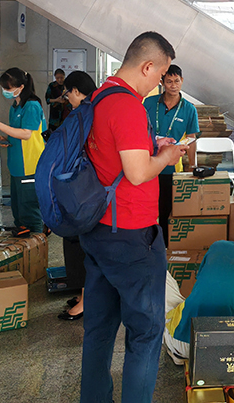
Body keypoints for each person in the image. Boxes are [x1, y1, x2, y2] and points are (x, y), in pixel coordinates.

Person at [80, 32, 187, 402]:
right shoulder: (128, 105)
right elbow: (138, 173)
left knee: (99, 328)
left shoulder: (101, 95)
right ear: (147, 67)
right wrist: (166, 157)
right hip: (131, 234)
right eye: (160, 75)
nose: (159, 83)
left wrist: (151, 145)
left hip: (97, 228)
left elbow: (113, 152)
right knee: (145, 332)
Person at [163, 217, 234, 365]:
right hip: (222, 353)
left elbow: (203, 283)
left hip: (181, 343)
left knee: (163, 277)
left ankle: (178, 353)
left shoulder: (217, 246)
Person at [0, 68, 47, 234]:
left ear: (21, 87)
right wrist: (7, 138)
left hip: (30, 165)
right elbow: (17, 132)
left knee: (29, 209)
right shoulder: (16, 106)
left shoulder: (32, 105)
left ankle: (37, 240)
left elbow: (26, 134)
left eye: (8, 88)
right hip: (17, 165)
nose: (5, 91)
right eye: (4, 88)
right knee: (19, 208)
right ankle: (25, 239)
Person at [57, 70, 97, 322]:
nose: (67, 98)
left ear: (75, 91)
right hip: (85, 185)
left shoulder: (85, 113)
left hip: (84, 187)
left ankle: (86, 299)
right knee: (77, 240)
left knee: (78, 242)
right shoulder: (92, 109)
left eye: (67, 94)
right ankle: (85, 293)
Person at [143, 65, 199, 243]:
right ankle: (145, 242)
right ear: (162, 83)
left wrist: (192, 165)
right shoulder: (149, 103)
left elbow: (192, 138)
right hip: (147, 163)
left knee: (166, 207)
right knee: (146, 206)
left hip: (171, 166)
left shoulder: (189, 109)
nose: (173, 85)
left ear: (182, 81)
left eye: (176, 81)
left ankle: (165, 245)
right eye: (169, 81)